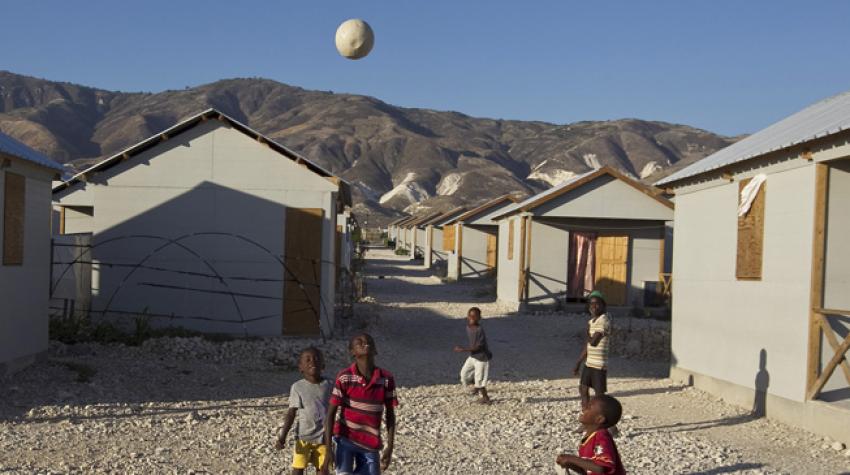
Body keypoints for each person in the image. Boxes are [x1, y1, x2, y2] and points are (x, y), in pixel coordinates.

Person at [322, 333, 398, 475]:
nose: (365, 343)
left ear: (375, 350)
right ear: (352, 352)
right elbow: (331, 413)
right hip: (345, 439)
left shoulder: (386, 379)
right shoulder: (345, 377)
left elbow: (390, 415)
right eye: (359, 342)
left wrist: (390, 446)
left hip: (371, 443)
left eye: (369, 341)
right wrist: (328, 449)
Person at [275, 347, 332, 475]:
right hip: (303, 437)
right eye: (308, 360)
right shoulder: (297, 387)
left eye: (317, 359)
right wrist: (282, 437)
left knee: (323, 470)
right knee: (298, 469)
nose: (313, 362)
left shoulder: (329, 385)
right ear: (300, 367)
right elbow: (291, 413)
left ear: (323, 365)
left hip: (324, 438)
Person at [555, 394, 626, 474]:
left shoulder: (601, 437)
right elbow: (588, 470)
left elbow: (602, 468)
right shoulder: (590, 437)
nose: (583, 408)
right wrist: (570, 464)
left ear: (599, 419)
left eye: (588, 407)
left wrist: (571, 459)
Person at [573, 290, 611, 410]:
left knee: (599, 396)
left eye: (597, 304)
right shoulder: (592, 321)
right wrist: (578, 363)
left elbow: (593, 342)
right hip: (589, 363)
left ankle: (608, 423)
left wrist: (587, 332)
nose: (594, 306)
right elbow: (588, 346)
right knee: (583, 389)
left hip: (599, 365)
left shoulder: (604, 320)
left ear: (603, 306)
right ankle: (586, 418)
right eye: (591, 304)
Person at [454, 306, 492, 404]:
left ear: (479, 318)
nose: (472, 318)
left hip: (482, 358)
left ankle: (485, 397)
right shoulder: (468, 327)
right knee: (464, 374)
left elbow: (479, 347)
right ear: (467, 316)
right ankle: (476, 387)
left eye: (475, 316)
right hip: (473, 356)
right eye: (470, 316)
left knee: (480, 380)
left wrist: (463, 349)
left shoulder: (480, 330)